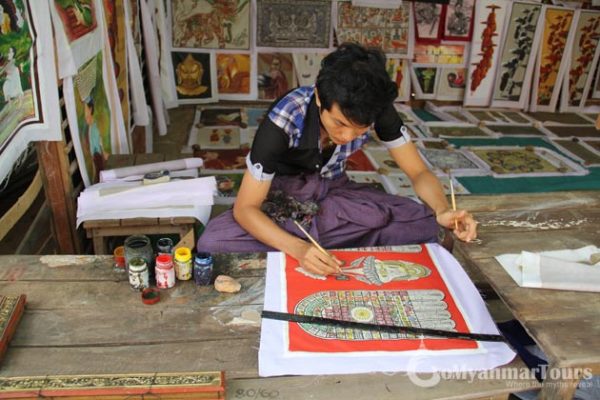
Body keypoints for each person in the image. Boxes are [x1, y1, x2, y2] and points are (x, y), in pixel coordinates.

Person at [197, 43, 477, 276]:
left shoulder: (375, 110)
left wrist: (441, 210)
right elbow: (246, 208)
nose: (348, 135)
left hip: (333, 190)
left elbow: (418, 173)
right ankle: (334, 235)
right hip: (282, 197)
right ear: (319, 97)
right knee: (214, 241)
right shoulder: (286, 116)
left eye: (360, 129)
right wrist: (299, 249)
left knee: (426, 223)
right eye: (340, 123)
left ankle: (331, 232)